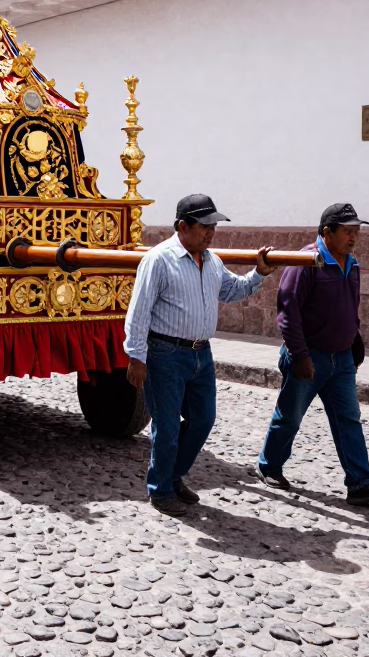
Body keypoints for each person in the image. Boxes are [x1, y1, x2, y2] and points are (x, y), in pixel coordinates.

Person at [123, 194, 276, 517]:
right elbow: (139, 312)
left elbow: (232, 290)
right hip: (165, 353)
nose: (211, 233)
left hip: (201, 354)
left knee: (203, 420)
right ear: (183, 226)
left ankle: (173, 474)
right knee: (165, 426)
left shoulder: (212, 261)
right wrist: (136, 357)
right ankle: (161, 489)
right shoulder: (159, 260)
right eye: (205, 226)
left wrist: (259, 274)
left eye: (213, 227)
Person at [257, 204, 369, 506]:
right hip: (309, 356)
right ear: (327, 232)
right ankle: (269, 465)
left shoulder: (352, 263)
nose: (353, 237)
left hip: (342, 358)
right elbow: (288, 312)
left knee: (349, 419)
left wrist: (355, 340)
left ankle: (361, 483)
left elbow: (350, 306)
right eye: (348, 231)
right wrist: (300, 355)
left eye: (356, 231)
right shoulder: (306, 262)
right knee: (290, 416)